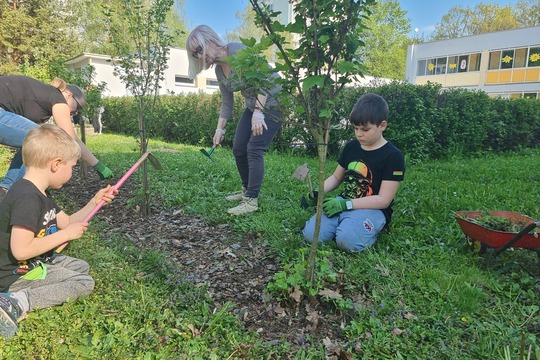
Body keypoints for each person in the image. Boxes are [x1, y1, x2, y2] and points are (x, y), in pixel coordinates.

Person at [0, 124, 118, 340]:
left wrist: (95, 202)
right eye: (72, 166)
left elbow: (68, 222)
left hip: (32, 262)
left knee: (81, 266)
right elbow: (21, 250)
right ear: (56, 164)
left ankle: (21, 294)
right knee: (83, 282)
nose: (72, 173)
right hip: (13, 274)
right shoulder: (27, 199)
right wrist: (64, 236)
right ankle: (16, 301)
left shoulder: (39, 193)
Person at [186, 25, 282, 215]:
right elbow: (227, 102)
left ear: (209, 40)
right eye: (194, 54)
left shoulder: (238, 51)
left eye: (198, 50)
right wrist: (219, 129)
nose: (198, 56)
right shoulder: (220, 72)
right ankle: (246, 189)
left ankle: (251, 201)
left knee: (254, 148)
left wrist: (259, 112)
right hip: (253, 105)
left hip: (273, 102)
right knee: (238, 148)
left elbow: (263, 80)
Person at [302, 93, 405, 252]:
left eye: (365, 129)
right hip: (344, 201)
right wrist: (318, 191)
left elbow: (384, 200)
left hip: (373, 209)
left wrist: (346, 205)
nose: (359, 134)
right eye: (355, 128)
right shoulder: (351, 147)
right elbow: (337, 177)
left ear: (382, 125)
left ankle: (368, 229)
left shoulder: (393, 156)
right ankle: (346, 224)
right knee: (310, 235)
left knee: (347, 242)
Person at [0, 75, 114, 200]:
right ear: (69, 95)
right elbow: (71, 139)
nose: (76, 113)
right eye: (78, 107)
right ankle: (20, 192)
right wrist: (98, 165)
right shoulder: (58, 98)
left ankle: (7, 190)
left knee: (33, 143)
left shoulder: (43, 101)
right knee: (44, 140)